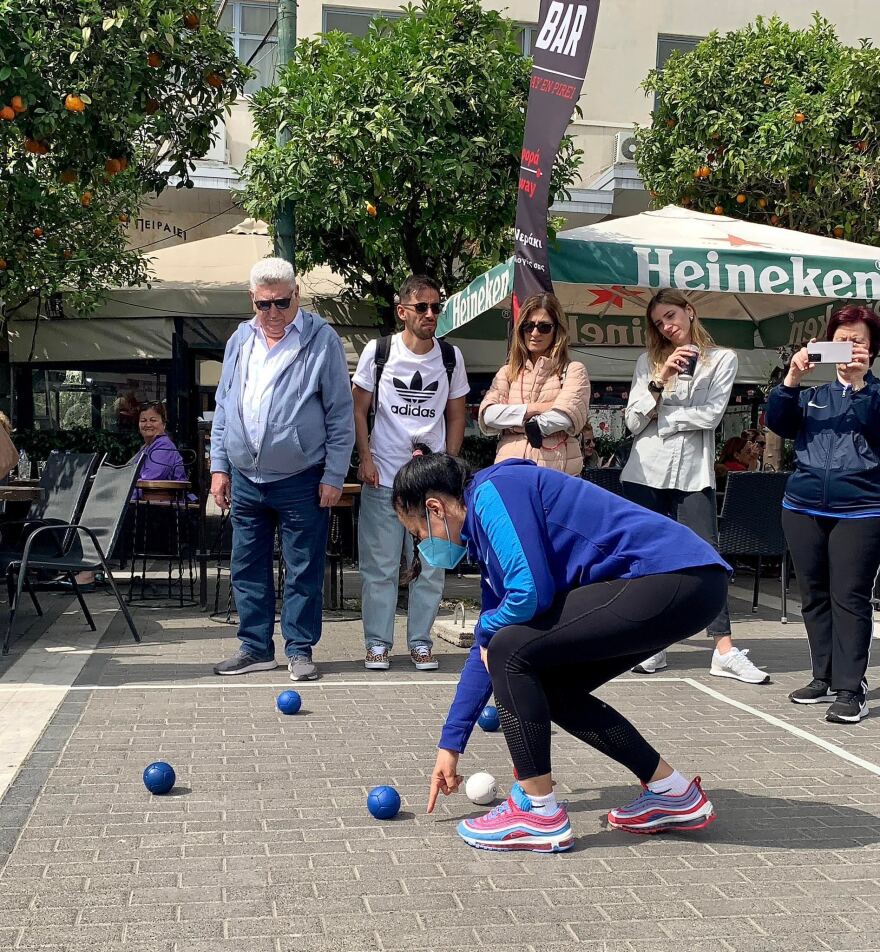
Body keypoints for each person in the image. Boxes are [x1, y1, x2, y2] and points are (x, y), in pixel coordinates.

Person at [392, 449, 730, 852]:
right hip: (687, 585)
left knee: (510, 650)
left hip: (674, 575)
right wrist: (450, 746)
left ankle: (537, 811)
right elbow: (487, 644)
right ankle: (672, 793)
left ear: (435, 508)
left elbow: (529, 594)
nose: (423, 545)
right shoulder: (487, 535)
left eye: (418, 533)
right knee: (548, 687)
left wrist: (487, 630)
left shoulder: (493, 492)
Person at [210, 257, 355, 681]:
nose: (273, 313)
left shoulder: (321, 339)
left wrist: (333, 476)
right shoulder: (240, 339)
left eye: (281, 303)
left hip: (301, 478)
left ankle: (299, 648)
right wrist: (219, 467)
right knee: (245, 565)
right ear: (251, 301)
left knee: (304, 566)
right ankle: (255, 648)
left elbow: (340, 415)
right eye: (263, 305)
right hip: (245, 476)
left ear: (297, 296)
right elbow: (224, 407)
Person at [620, 289, 767, 683]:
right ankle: (654, 643)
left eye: (671, 315)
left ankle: (723, 649)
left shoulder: (721, 360)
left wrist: (661, 415)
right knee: (648, 560)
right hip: (644, 472)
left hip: (693, 473)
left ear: (689, 311)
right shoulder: (647, 362)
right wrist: (661, 378)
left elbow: (711, 415)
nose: (667, 326)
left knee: (705, 558)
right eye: (659, 322)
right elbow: (632, 423)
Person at [766, 305, 880, 724]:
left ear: (873, 350)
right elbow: (779, 423)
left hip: (862, 509)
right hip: (802, 505)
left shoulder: (876, 393)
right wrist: (791, 379)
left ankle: (852, 688)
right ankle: (824, 676)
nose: (850, 348)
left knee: (849, 598)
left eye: (860, 342)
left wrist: (860, 387)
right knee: (813, 596)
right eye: (842, 340)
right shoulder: (813, 395)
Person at [352, 274, 469, 671]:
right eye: (422, 307)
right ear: (402, 311)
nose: (431, 313)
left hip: (431, 484)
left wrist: (449, 465)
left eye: (437, 306)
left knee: (433, 565)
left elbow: (456, 414)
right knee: (380, 567)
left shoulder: (451, 356)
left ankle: (421, 641)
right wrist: (364, 455)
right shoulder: (378, 351)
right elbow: (358, 408)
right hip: (384, 476)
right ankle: (377, 644)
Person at [478, 292, 589, 475]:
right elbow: (488, 416)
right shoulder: (507, 372)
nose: (535, 333)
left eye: (544, 327)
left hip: (555, 471)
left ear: (557, 330)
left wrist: (512, 421)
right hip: (510, 470)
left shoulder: (573, 370)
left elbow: (565, 418)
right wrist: (540, 407)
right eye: (528, 326)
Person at [133, 402, 189, 500]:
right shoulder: (146, 446)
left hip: (161, 508)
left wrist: (119, 499)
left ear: (164, 424)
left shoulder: (164, 446)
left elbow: (149, 480)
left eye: (153, 420)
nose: (148, 424)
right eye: (143, 420)